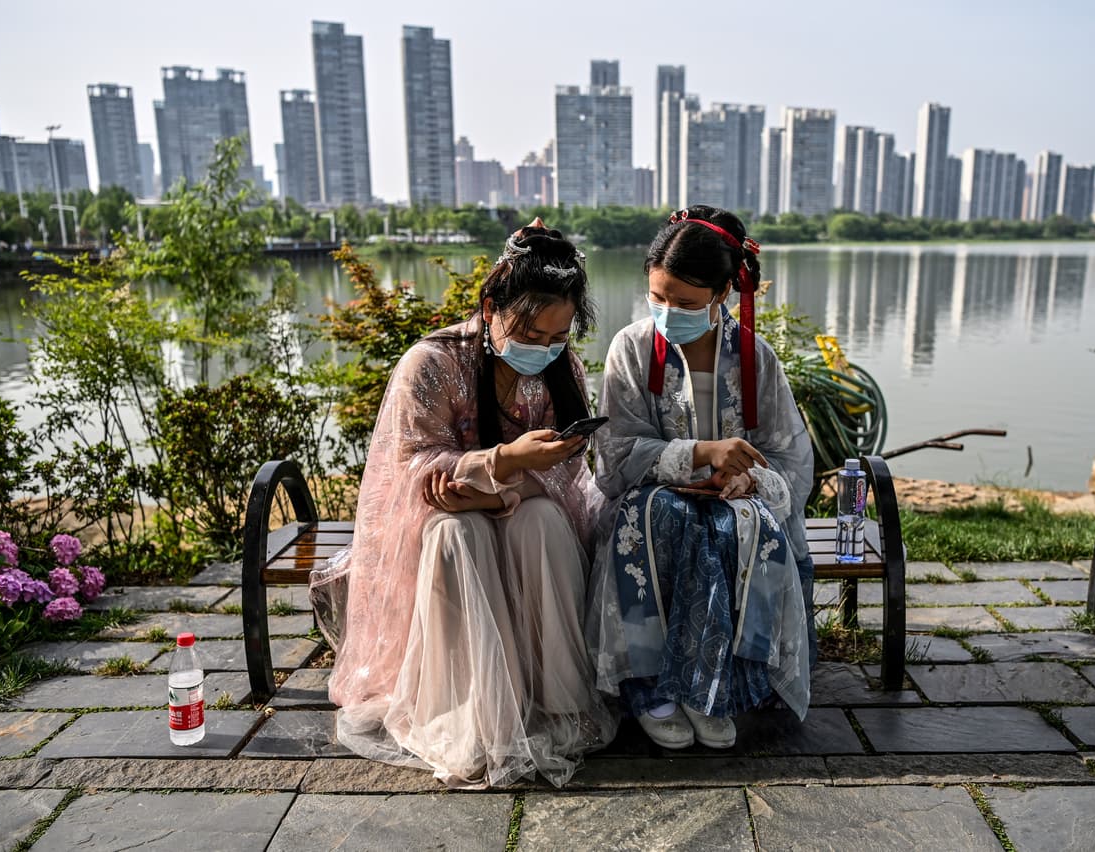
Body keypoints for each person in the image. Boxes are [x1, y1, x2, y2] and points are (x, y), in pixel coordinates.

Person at [310, 219, 617, 788]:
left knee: (543, 521)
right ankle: (475, 713)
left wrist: (501, 485)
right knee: (458, 532)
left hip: (523, 506)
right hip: (441, 523)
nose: (545, 350)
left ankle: (558, 700)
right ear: (491, 307)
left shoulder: (562, 369)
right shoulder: (431, 363)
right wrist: (502, 462)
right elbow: (412, 467)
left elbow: (568, 473)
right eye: (532, 335)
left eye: (558, 338)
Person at [586, 205, 816, 750]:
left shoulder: (756, 358)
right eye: (658, 298)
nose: (669, 313)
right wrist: (700, 454)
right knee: (662, 517)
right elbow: (615, 456)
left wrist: (745, 482)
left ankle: (713, 689)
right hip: (650, 495)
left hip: (737, 496)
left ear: (723, 294)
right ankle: (650, 690)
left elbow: (789, 458)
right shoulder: (631, 349)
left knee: (736, 526)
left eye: (687, 304)